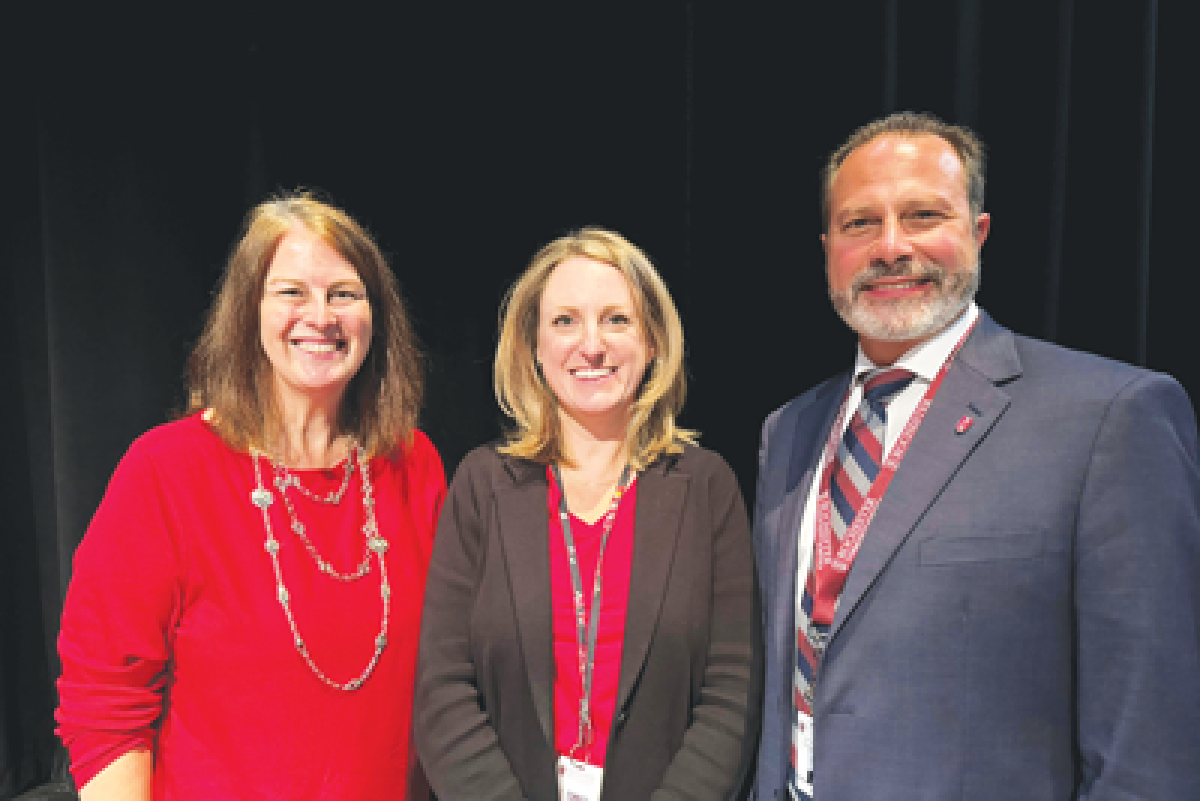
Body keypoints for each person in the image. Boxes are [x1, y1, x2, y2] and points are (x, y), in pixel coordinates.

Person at [751, 111, 1200, 800]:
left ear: (978, 232)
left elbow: (1150, 751)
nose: (891, 246)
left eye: (923, 214)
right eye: (859, 223)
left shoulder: (1111, 417)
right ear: (826, 247)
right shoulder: (789, 430)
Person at [55, 194, 446, 799]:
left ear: (377, 317)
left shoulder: (414, 464)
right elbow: (105, 702)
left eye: (344, 293)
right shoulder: (167, 470)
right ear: (248, 312)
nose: (321, 315)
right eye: (292, 292)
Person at [414, 227, 758, 800]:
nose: (591, 345)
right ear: (533, 346)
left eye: (616, 320)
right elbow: (443, 690)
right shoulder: (482, 485)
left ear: (652, 343)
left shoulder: (706, 487)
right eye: (565, 321)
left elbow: (732, 697)